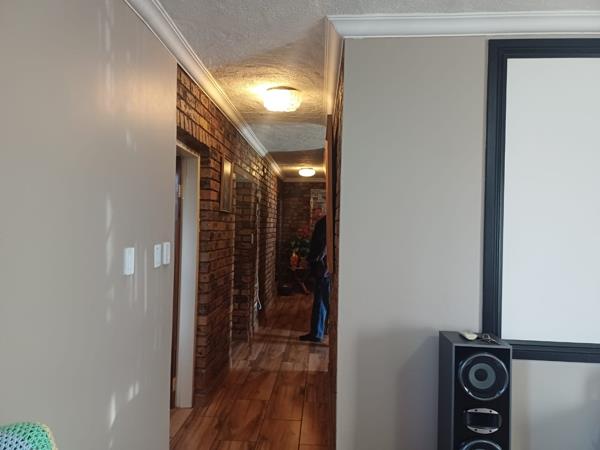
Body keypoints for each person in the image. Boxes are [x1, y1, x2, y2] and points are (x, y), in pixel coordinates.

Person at [299, 211, 330, 343]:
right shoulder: (327, 222)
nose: (314, 214)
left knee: (323, 300)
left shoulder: (324, 223)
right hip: (324, 267)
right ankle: (317, 332)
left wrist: (311, 260)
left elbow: (322, 246)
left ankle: (318, 333)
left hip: (322, 268)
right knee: (321, 300)